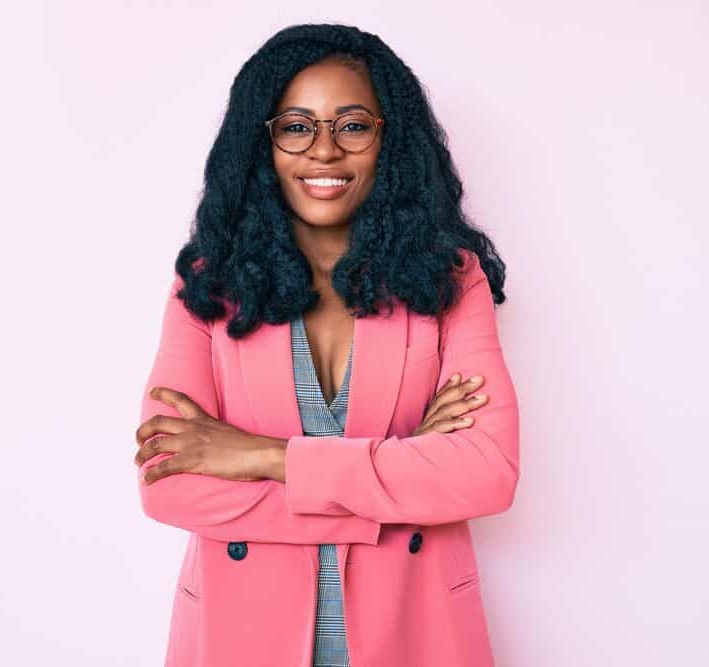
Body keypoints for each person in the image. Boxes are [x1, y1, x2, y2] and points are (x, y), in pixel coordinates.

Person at [133, 23, 520, 667]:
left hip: (418, 635)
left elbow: (485, 474)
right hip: (239, 638)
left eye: (353, 125)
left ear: (387, 139)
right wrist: (401, 477)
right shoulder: (208, 282)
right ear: (263, 142)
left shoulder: (449, 278)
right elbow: (168, 484)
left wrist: (264, 456)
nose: (324, 151)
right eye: (296, 125)